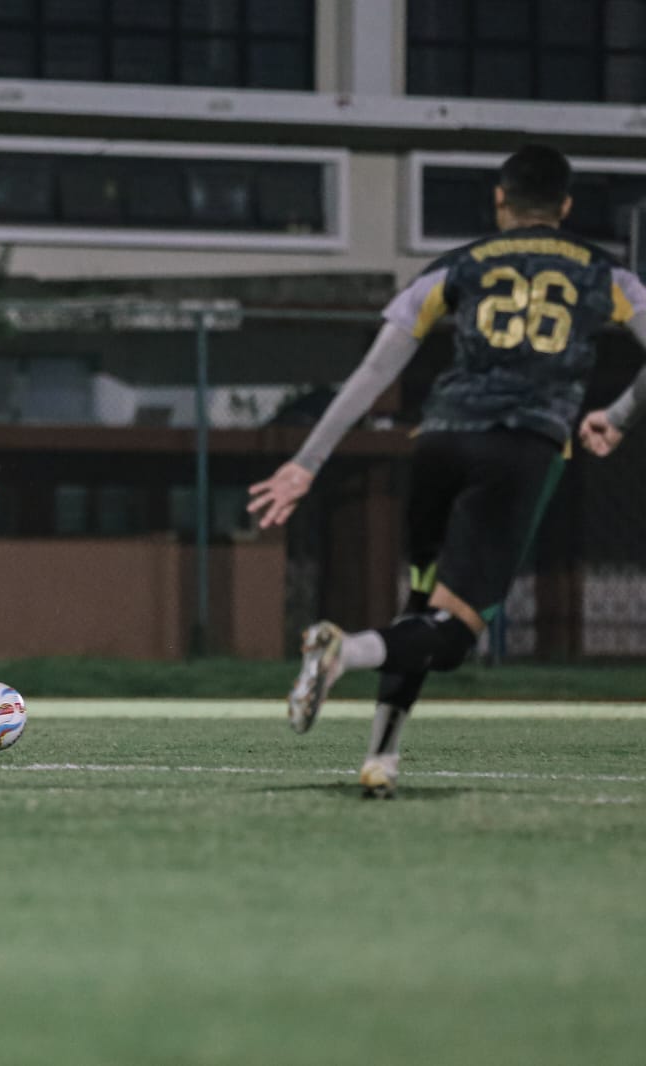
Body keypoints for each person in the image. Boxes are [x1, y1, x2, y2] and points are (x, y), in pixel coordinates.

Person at [247, 144, 646, 798]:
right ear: (566, 207)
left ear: (500, 200)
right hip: (519, 448)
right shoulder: (607, 275)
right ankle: (345, 651)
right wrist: (622, 414)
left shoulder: (456, 267)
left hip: (440, 443)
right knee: (455, 635)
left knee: (422, 608)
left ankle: (382, 758)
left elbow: (375, 371)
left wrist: (306, 462)